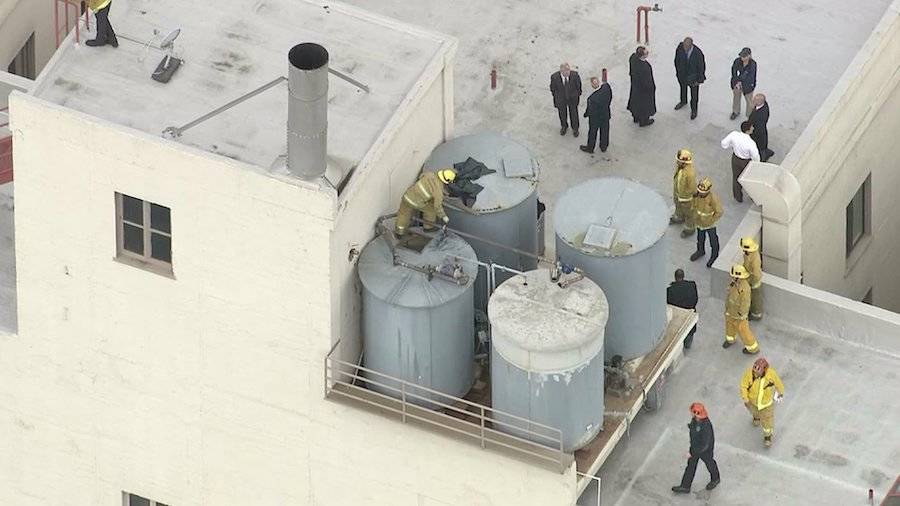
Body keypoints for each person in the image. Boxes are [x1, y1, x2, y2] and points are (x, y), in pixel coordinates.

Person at [672, 402, 720, 494]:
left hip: (705, 450)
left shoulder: (706, 426)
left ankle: (715, 478)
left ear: (697, 413)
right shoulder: (695, 420)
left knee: (710, 463)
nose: (691, 414)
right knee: (690, 466)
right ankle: (685, 486)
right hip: (695, 448)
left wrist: (693, 453)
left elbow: (705, 443)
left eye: (692, 412)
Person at [395, 169, 455, 236]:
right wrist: (443, 216)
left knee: (403, 214)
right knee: (431, 210)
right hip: (416, 202)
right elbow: (437, 206)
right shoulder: (438, 190)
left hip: (407, 196)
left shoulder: (429, 174)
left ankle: (399, 233)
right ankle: (428, 228)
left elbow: (421, 176)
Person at [740, 357, 785, 447]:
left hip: (766, 404)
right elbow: (743, 386)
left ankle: (768, 436)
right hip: (752, 402)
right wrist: (745, 398)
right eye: (754, 371)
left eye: (757, 373)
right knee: (754, 412)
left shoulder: (771, 375)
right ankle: (756, 417)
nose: (755, 374)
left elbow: (779, 384)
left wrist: (780, 393)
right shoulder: (749, 373)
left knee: (767, 421)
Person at [720, 121, 760, 203]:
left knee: (736, 178)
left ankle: (738, 196)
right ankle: (753, 196)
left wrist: (732, 146)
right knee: (749, 179)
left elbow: (723, 144)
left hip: (735, 159)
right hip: (746, 162)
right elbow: (755, 156)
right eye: (752, 127)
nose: (753, 128)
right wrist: (756, 164)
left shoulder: (734, 134)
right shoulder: (751, 143)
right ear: (748, 131)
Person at [724, 264, 760, 354]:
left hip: (739, 314)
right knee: (729, 325)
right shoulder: (734, 283)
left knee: (743, 330)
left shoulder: (745, 288)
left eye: (734, 276)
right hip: (731, 310)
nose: (733, 278)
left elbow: (745, 303)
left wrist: (742, 314)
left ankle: (752, 348)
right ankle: (730, 339)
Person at [690, 178, 723, 268]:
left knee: (713, 240)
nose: (700, 193)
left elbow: (719, 211)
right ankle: (700, 251)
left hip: (710, 224)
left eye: (702, 192)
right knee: (700, 238)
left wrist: (711, 220)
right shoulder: (696, 195)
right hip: (699, 222)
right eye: (699, 191)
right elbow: (693, 204)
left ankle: (714, 256)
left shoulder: (713, 199)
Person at [673, 37, 706, 119]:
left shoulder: (698, 53)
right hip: (682, 76)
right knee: (683, 88)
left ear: (691, 45)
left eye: (687, 47)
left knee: (694, 95)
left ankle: (694, 110)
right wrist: (678, 72)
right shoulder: (680, 48)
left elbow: (701, 67)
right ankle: (683, 101)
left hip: (693, 78)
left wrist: (699, 80)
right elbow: (676, 60)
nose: (685, 48)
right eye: (684, 46)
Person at [580, 74, 612, 154]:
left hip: (595, 118)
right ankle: (603, 146)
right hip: (605, 115)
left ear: (592, 85)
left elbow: (590, 110)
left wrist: (586, 114)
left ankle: (590, 148)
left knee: (592, 132)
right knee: (605, 131)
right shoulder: (607, 87)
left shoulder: (592, 98)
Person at [667, 269, 699, 349]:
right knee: (689, 332)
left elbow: (669, 304)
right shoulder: (692, 285)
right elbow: (696, 299)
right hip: (690, 314)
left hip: (679, 317)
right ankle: (687, 345)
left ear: (675, 277)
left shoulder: (670, 290)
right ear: (683, 276)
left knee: (678, 334)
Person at [550, 63, 582, 137]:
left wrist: (577, 95)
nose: (567, 72)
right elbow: (552, 88)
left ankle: (575, 128)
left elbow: (579, 86)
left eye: (568, 70)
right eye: (565, 71)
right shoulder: (554, 77)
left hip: (572, 99)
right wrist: (557, 97)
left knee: (574, 114)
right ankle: (564, 126)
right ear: (561, 71)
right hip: (561, 100)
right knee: (562, 114)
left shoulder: (575, 75)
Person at [670, 149, 697, 237]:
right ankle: (679, 217)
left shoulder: (690, 174)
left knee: (688, 213)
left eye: (679, 161)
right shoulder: (680, 168)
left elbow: (692, 188)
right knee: (678, 206)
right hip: (678, 194)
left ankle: (690, 228)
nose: (677, 162)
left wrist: (685, 195)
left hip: (686, 198)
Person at [628, 46, 657, 127]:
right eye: (646, 53)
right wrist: (652, 88)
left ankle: (636, 117)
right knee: (644, 105)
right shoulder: (644, 68)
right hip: (644, 90)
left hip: (635, 87)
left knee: (635, 103)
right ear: (642, 56)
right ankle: (644, 121)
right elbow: (647, 81)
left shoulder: (633, 59)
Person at [730, 47, 757, 120]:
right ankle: (735, 111)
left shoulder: (752, 64)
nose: (742, 58)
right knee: (736, 98)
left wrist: (740, 80)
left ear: (749, 56)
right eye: (741, 56)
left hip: (748, 86)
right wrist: (735, 82)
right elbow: (734, 71)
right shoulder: (737, 61)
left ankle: (749, 115)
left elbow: (750, 76)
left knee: (749, 101)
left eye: (744, 56)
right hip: (737, 84)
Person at [741, 237, 764, 320]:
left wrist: (751, 281)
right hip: (750, 279)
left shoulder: (754, 258)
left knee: (755, 298)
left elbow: (755, 272)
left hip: (754, 281)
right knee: (751, 297)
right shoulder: (748, 254)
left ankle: (756, 314)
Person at [749, 94, 773, 161]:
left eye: (755, 100)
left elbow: (759, 129)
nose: (752, 100)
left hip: (758, 133)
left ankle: (762, 158)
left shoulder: (760, 116)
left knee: (759, 146)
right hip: (760, 131)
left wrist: (751, 132)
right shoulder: (763, 104)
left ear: (759, 102)